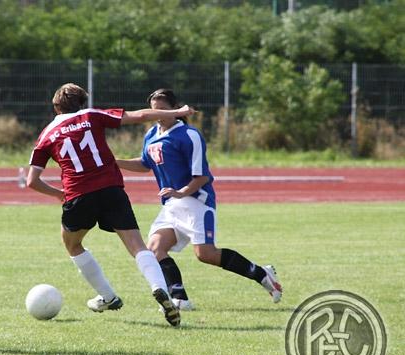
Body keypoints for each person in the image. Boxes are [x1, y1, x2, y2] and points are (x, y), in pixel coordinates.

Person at [27, 83, 196, 327]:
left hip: (78, 195)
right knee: (138, 246)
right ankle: (162, 291)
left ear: (55, 106)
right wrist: (176, 112)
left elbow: (32, 181)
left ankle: (108, 296)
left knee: (73, 244)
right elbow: (140, 116)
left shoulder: (47, 134)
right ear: (82, 103)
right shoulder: (92, 115)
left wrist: (58, 194)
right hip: (111, 190)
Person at [116, 88, 282, 311]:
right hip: (172, 205)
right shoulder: (151, 134)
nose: (159, 115)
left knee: (206, 254)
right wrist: (116, 162)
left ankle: (262, 274)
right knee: (155, 248)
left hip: (196, 202)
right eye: (154, 111)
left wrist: (180, 192)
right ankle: (180, 299)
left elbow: (202, 176)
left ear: (176, 110)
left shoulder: (188, 135)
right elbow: (145, 164)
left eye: (163, 110)